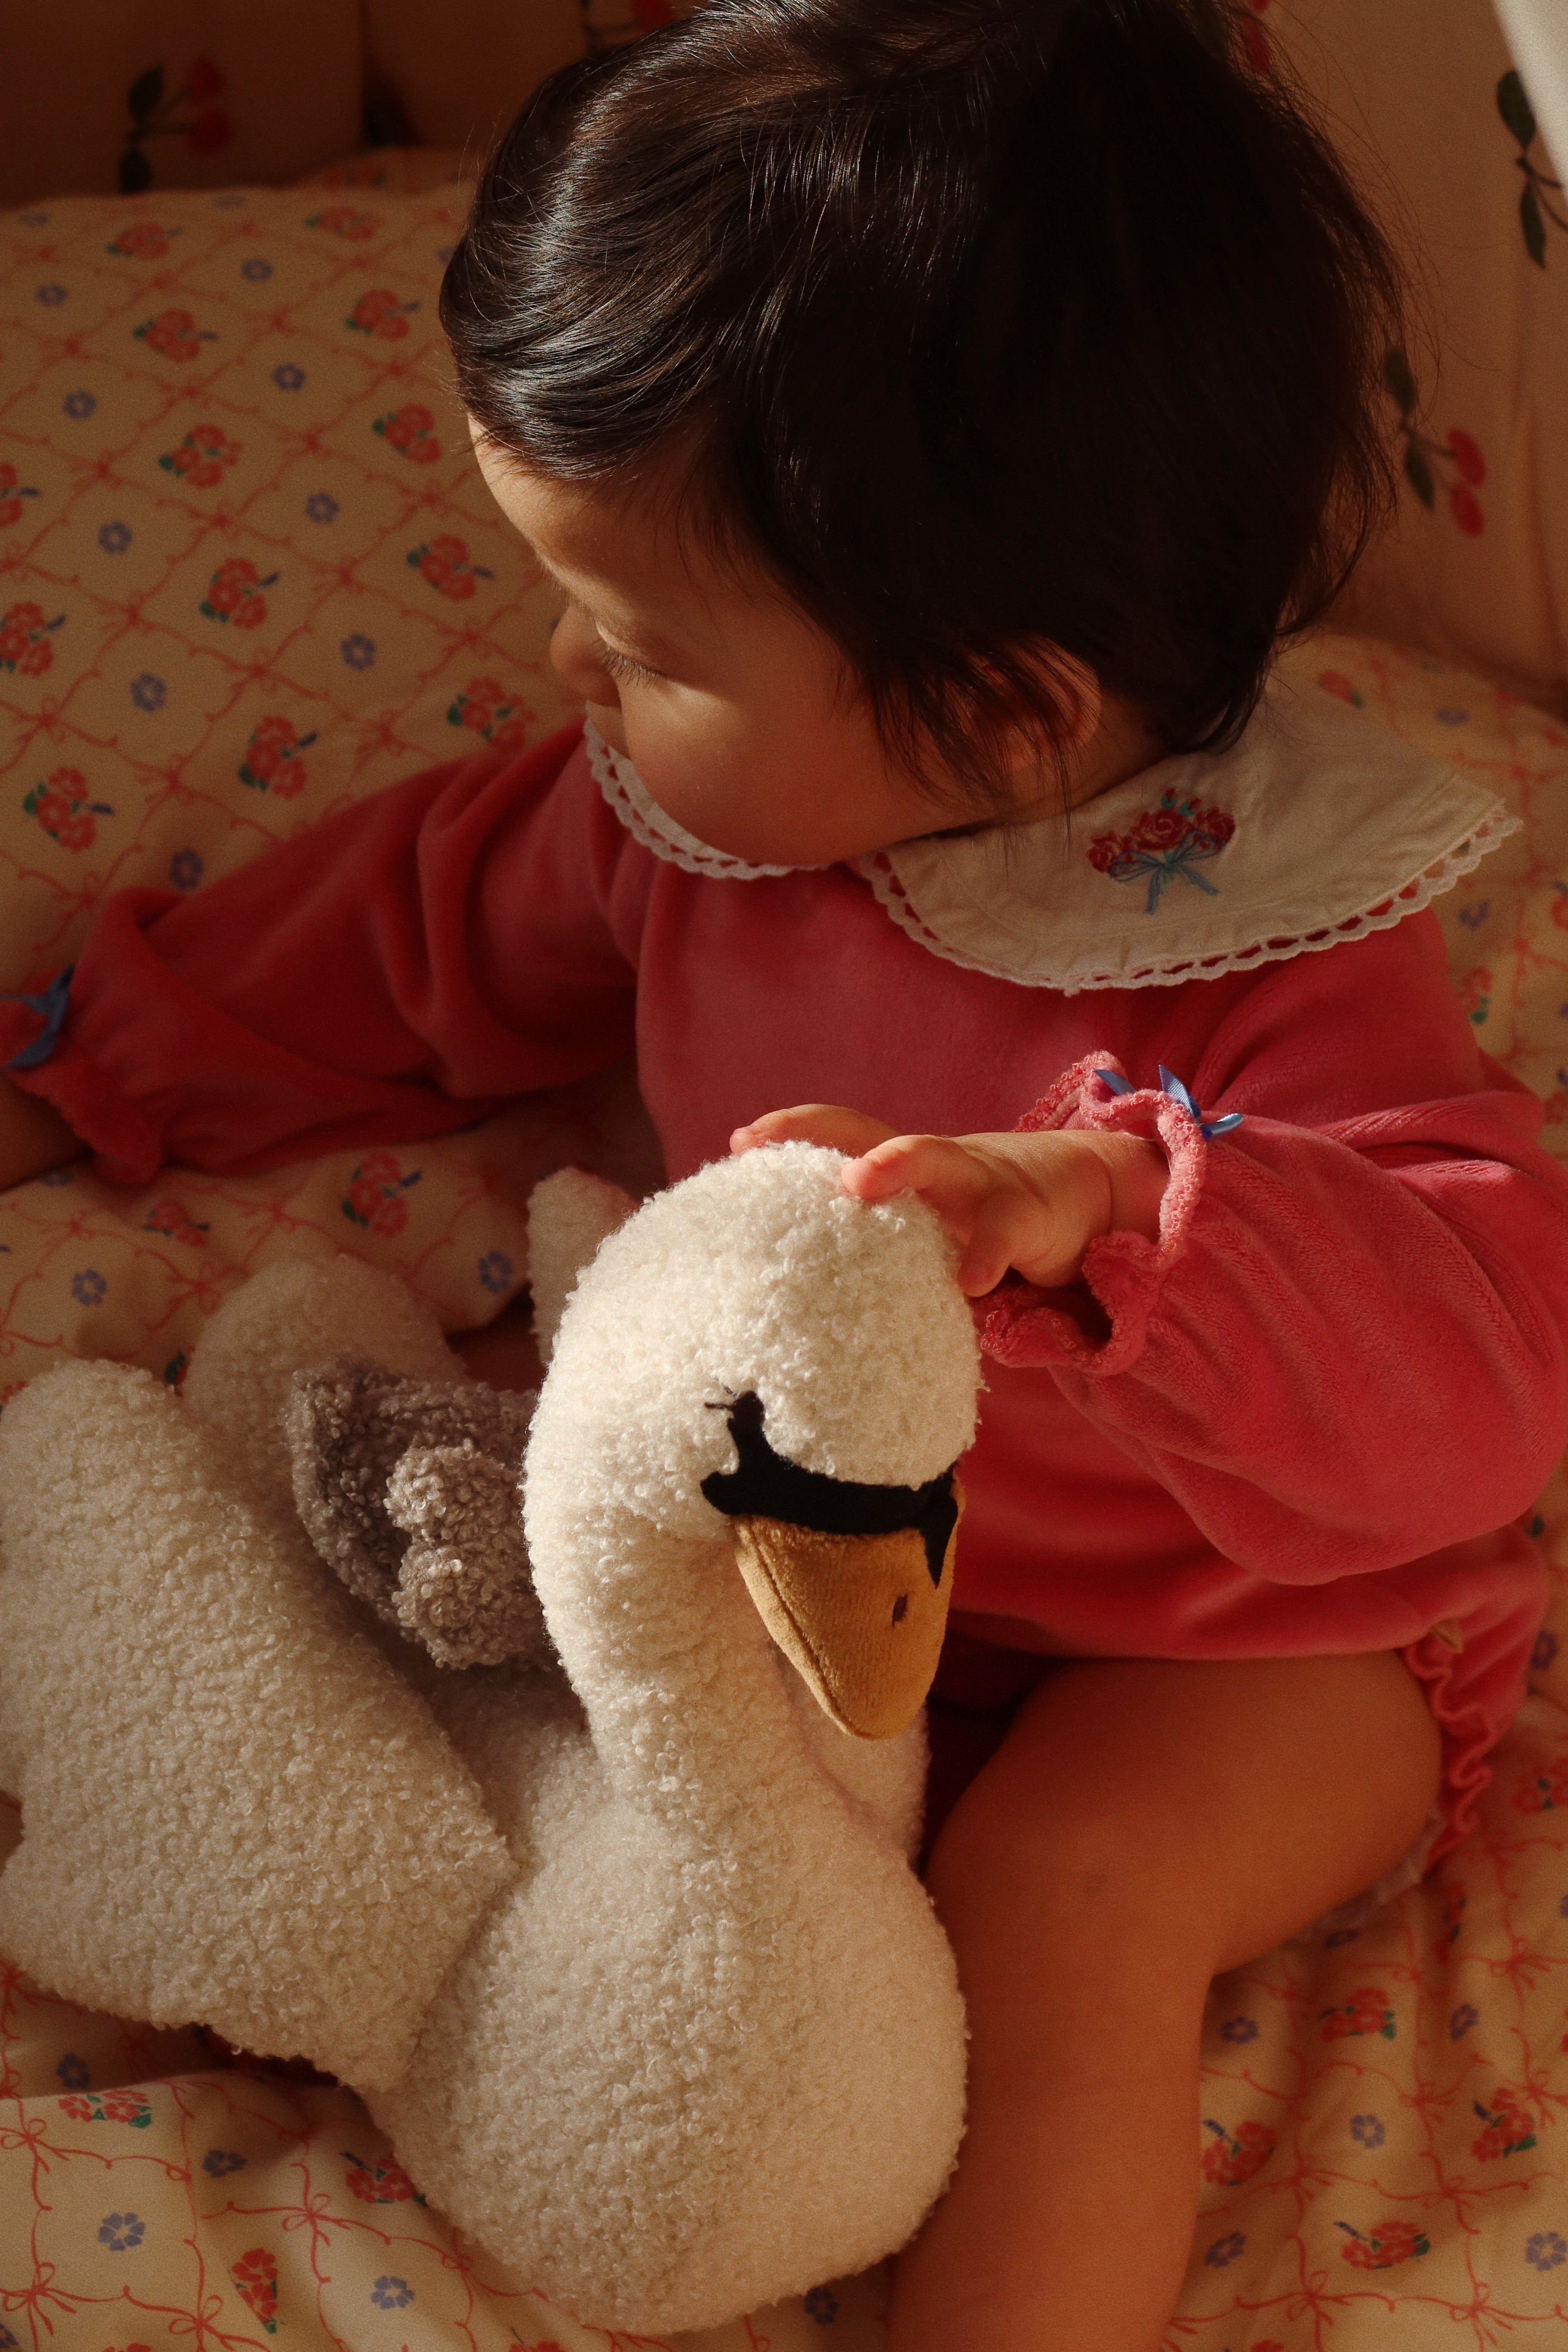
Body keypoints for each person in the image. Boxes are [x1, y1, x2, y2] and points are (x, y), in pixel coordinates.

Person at [3, 4, 1567, 2344]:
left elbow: (1483, 1362)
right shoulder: (689, 824)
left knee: (1066, 1895)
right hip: (816, 1582)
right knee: (457, 1658)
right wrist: (86, 1065)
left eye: (641, 639)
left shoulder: (1272, 935)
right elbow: (411, 936)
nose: (569, 667)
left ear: (1007, 715)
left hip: (1237, 1635)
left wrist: (1108, 1215)